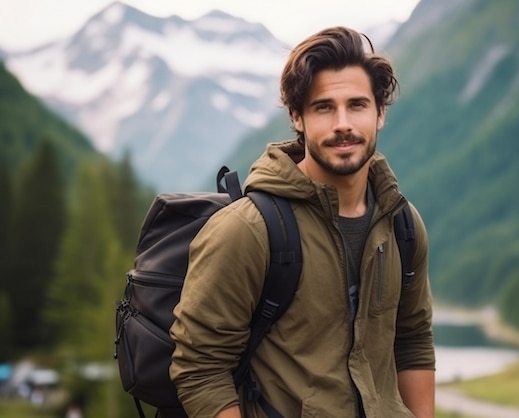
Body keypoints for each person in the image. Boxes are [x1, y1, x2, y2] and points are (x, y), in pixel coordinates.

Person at [170, 26, 435, 418]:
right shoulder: (248, 230)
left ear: (380, 114)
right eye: (323, 107)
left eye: (357, 105)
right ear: (298, 117)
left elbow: (412, 340)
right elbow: (200, 368)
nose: (342, 123)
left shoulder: (403, 224)